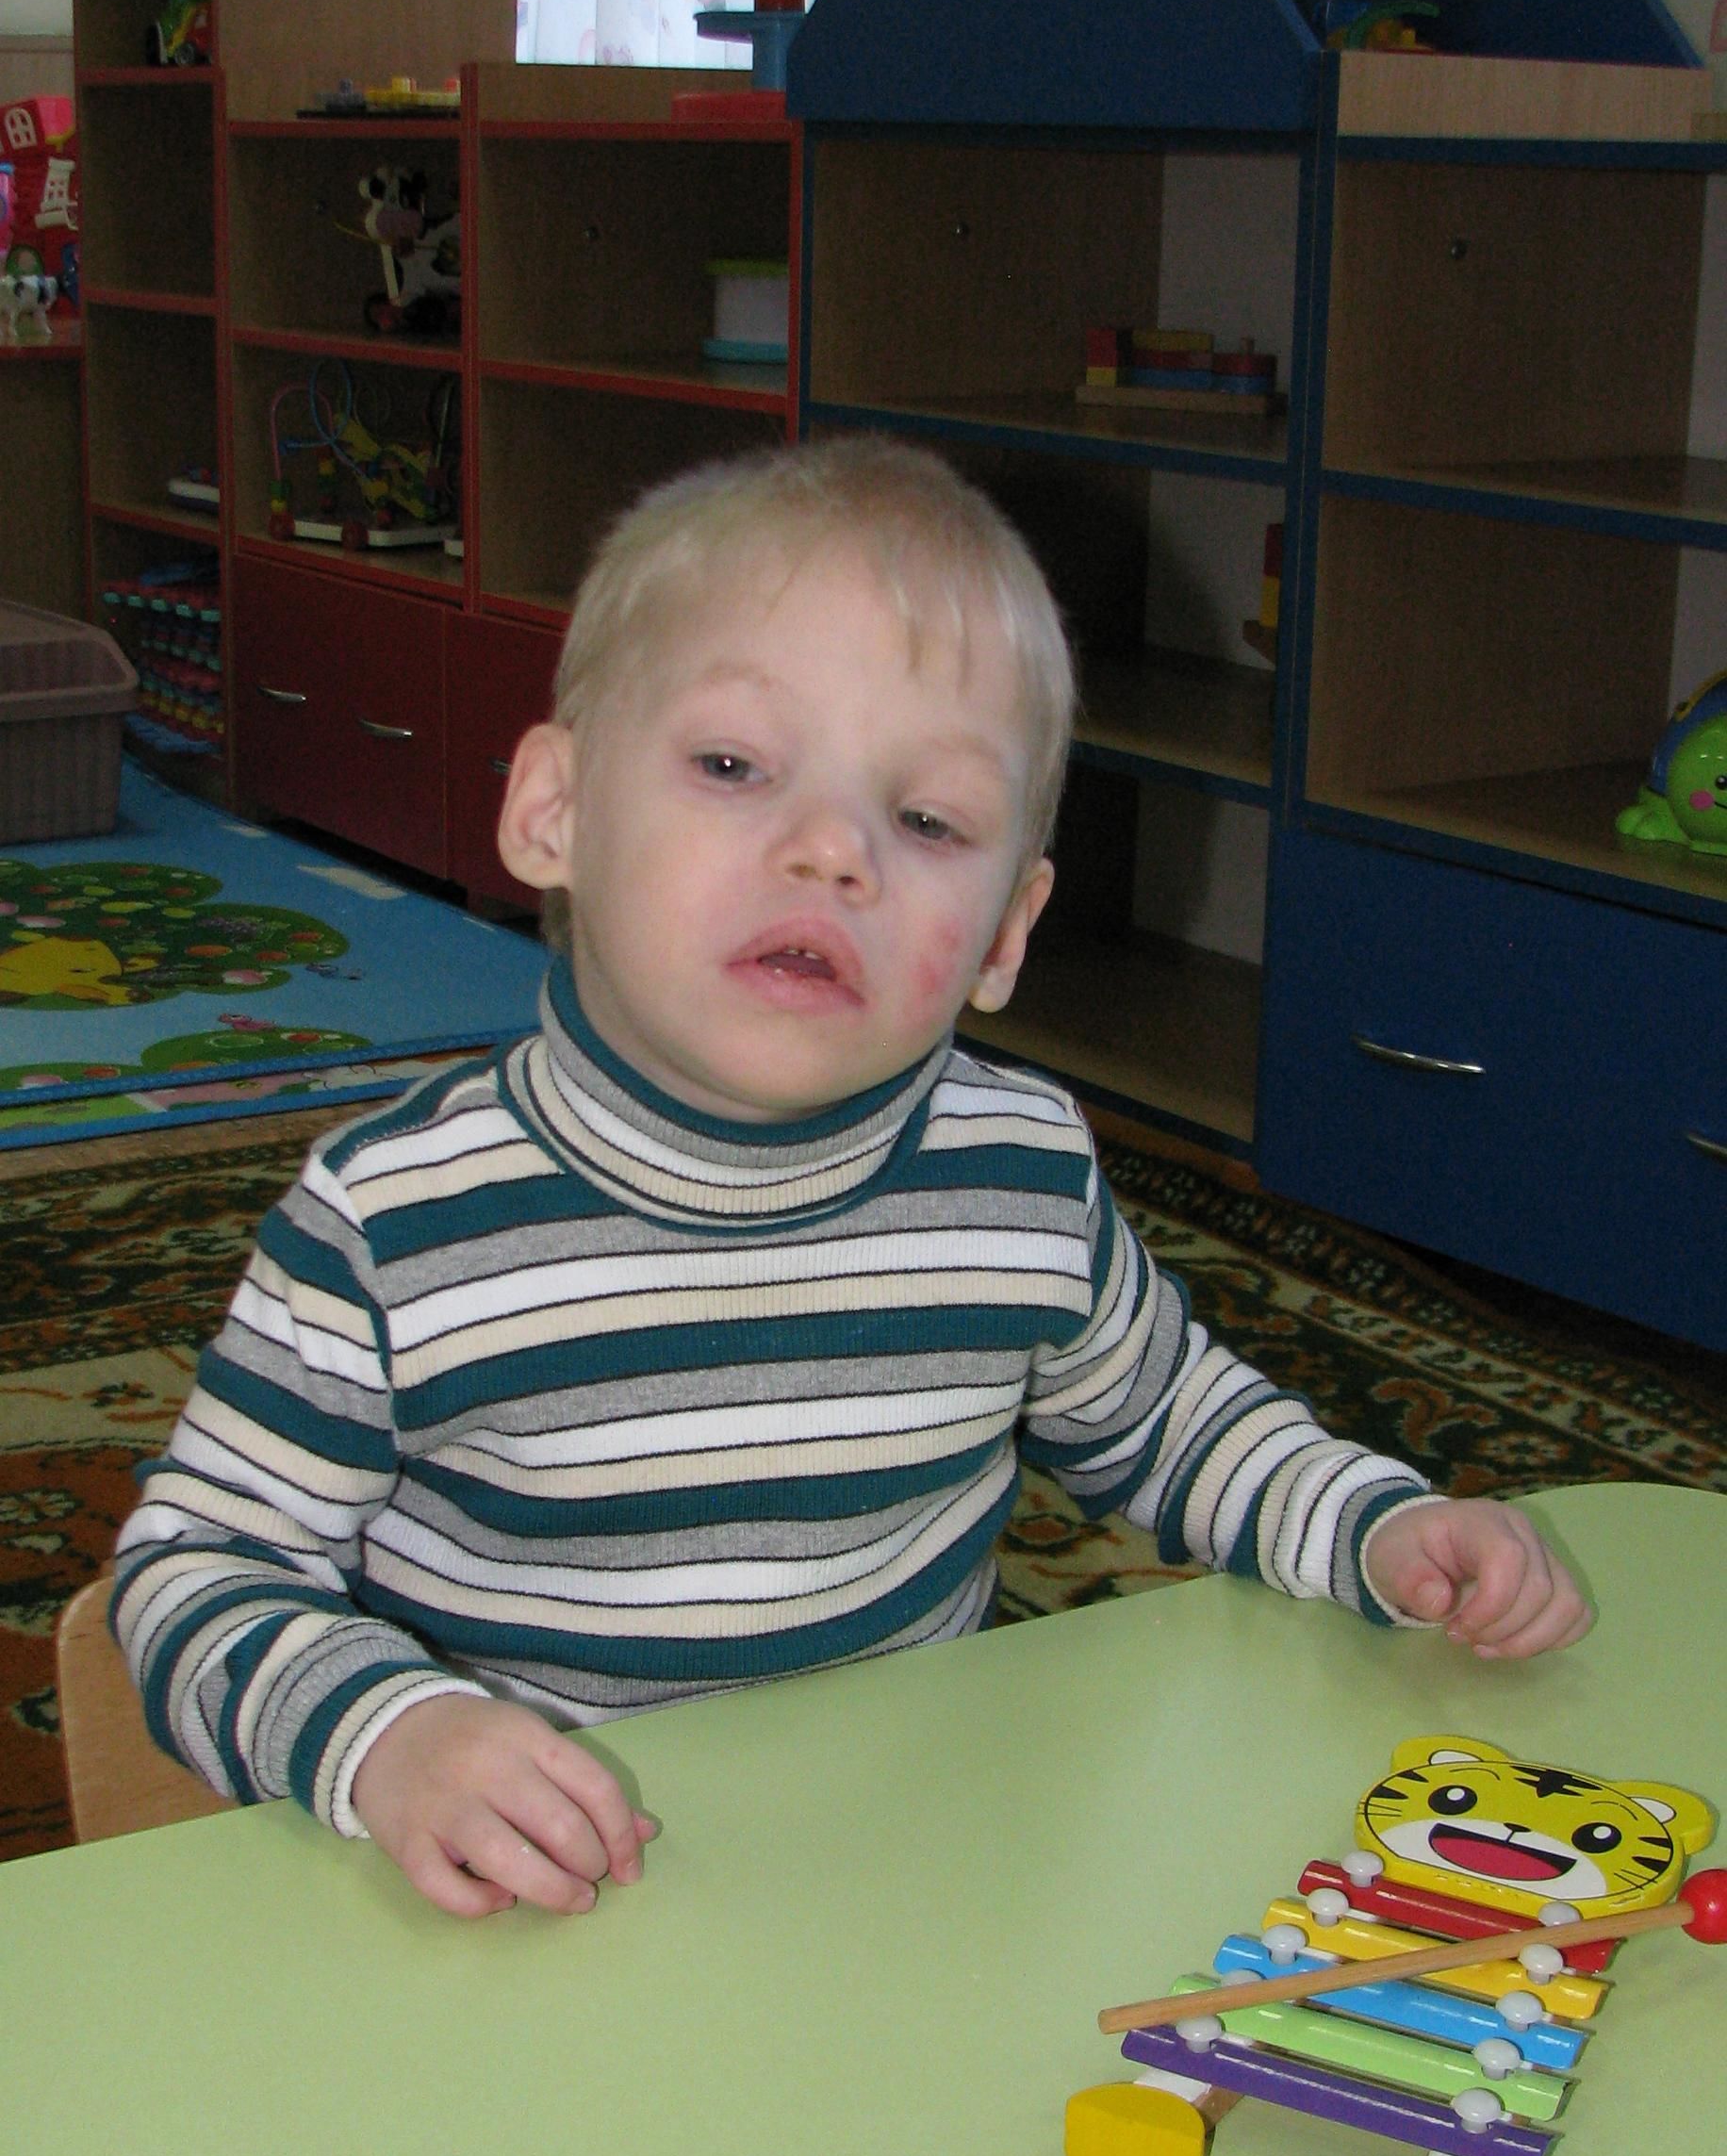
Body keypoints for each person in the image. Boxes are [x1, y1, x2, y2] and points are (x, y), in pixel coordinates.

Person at [113, 440, 1590, 1918]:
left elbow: (1173, 1425)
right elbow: (197, 1570)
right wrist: (389, 1739)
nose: (831, 851)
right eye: (733, 767)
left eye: (928, 821)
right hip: (539, 1912)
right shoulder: (393, 1223)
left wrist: (1375, 1524)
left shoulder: (1019, 1176)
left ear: (1005, 935)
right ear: (555, 811)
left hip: (898, 1884)